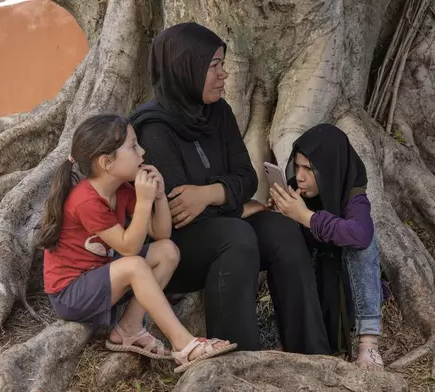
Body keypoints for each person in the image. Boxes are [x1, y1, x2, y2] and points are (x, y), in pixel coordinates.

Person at [130, 22, 330, 354]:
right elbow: (181, 211)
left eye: (222, 63)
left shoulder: (218, 112)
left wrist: (210, 193)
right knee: (235, 235)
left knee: (280, 229)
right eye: (213, 66)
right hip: (176, 251)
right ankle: (238, 358)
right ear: (185, 69)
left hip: (223, 226)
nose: (224, 74)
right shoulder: (153, 127)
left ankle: (311, 352)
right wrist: (233, 199)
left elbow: (247, 177)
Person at [39, 114, 236, 373]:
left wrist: (159, 196)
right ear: (107, 162)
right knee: (134, 265)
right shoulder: (86, 200)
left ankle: (129, 328)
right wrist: (143, 202)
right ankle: (184, 345)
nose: (142, 152)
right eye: (133, 146)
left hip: (101, 276)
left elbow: (161, 233)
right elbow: (129, 249)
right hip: (71, 294)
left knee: (168, 252)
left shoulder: (122, 190)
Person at [268, 123, 384, 371]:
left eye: (309, 169)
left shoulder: (353, 195)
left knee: (364, 244)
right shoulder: (298, 189)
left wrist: (306, 217)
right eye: (297, 166)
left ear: (329, 169)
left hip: (344, 281)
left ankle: (369, 344)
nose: (299, 176)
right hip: (311, 279)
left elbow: (361, 235)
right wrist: (283, 213)